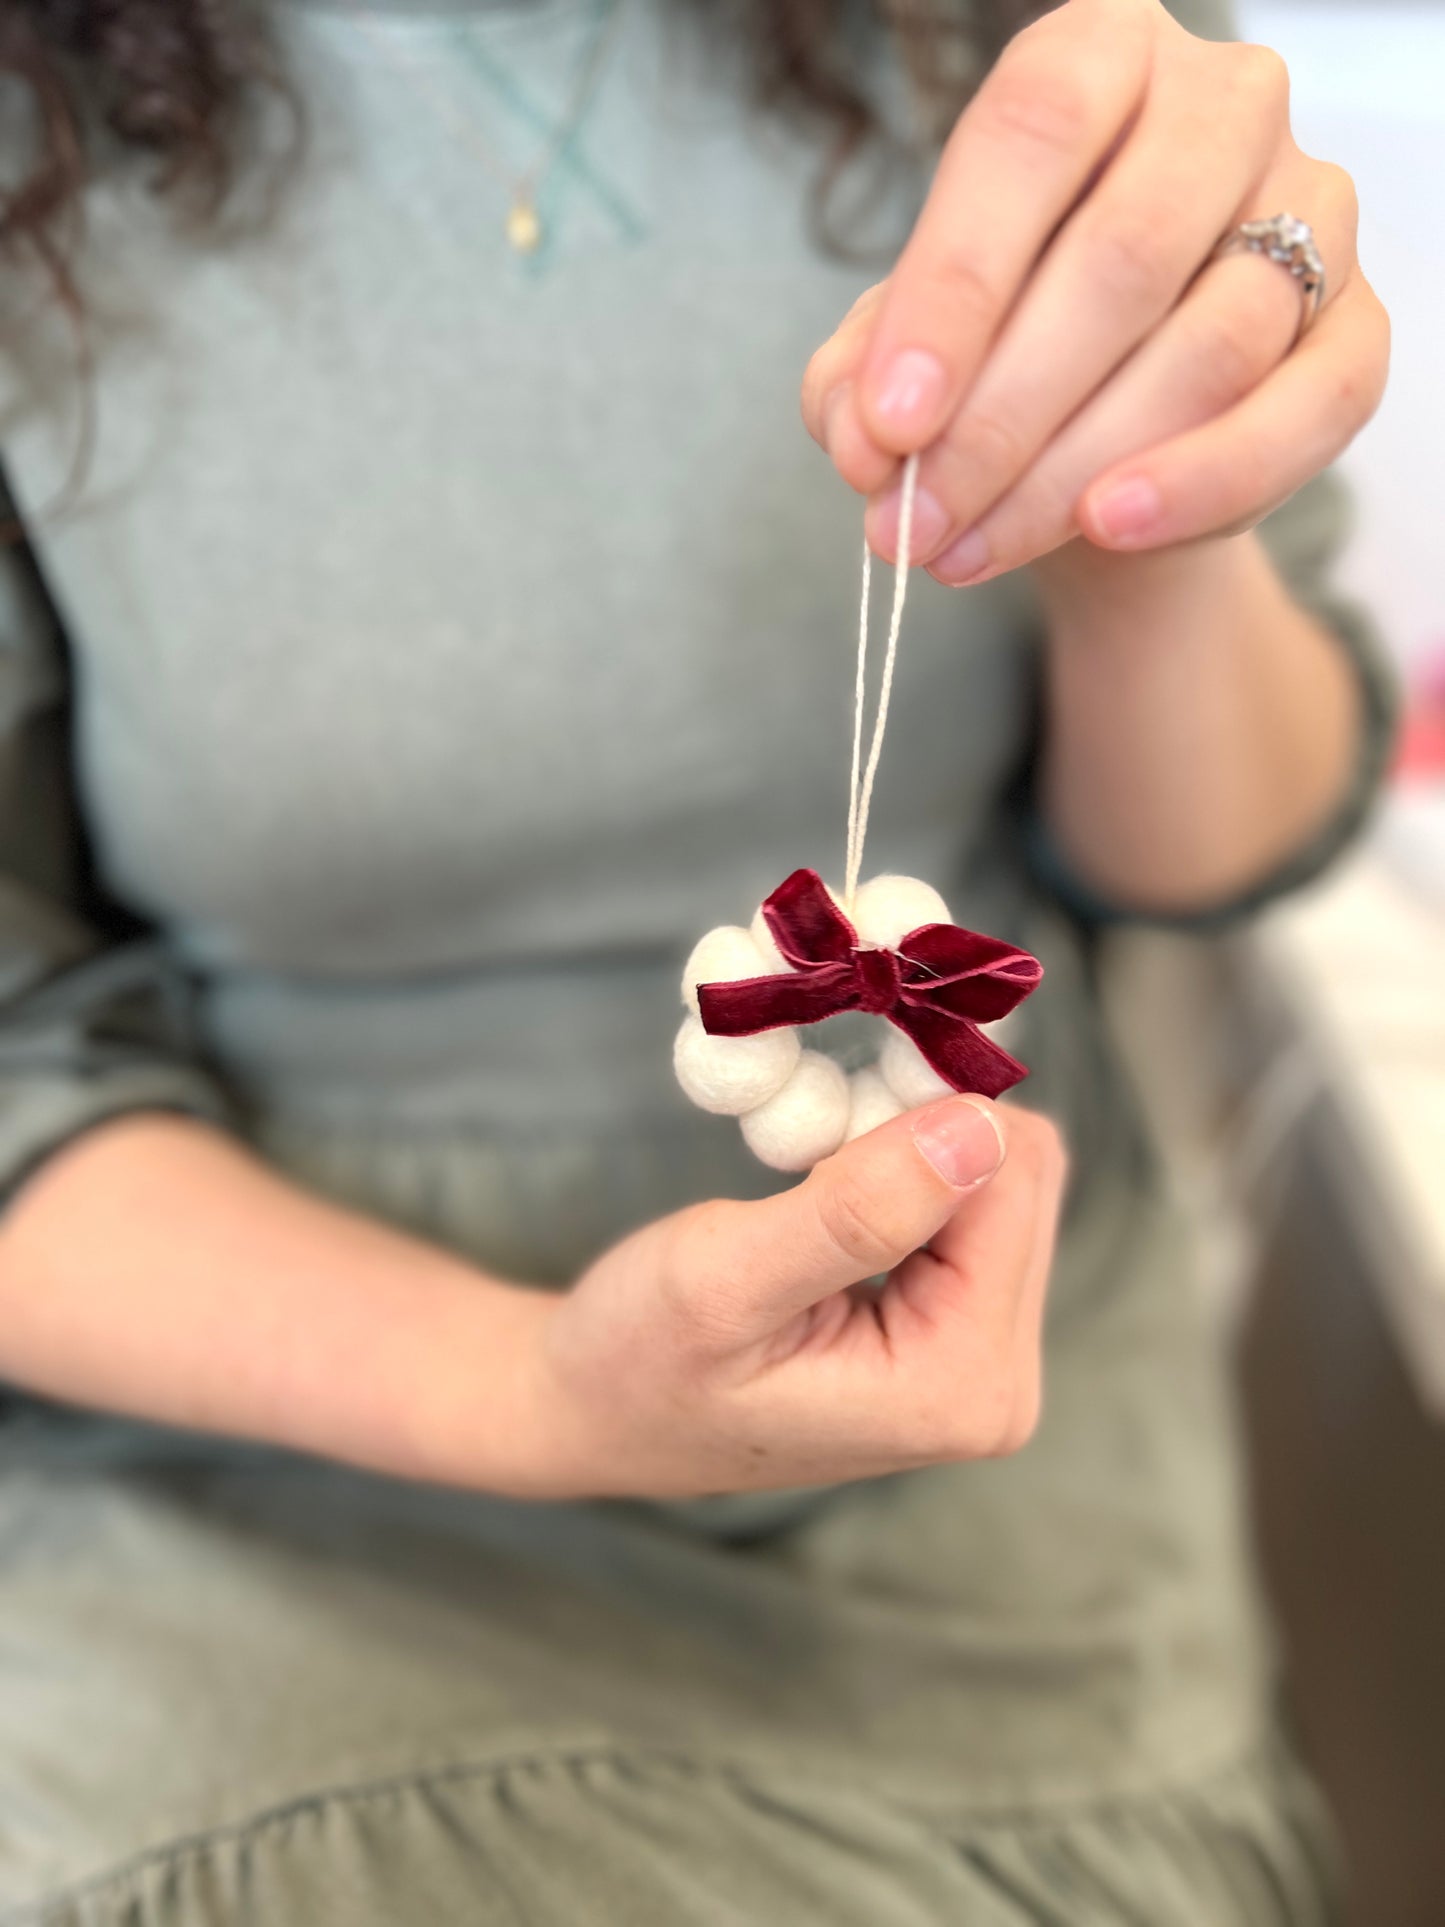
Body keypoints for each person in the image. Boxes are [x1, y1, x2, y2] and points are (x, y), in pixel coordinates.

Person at [0, 0, 1393, 1919]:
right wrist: (533, 1392)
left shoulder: (1011, 43)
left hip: (983, 1459)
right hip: (246, 1437)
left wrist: (1134, 531)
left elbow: (1221, 850)